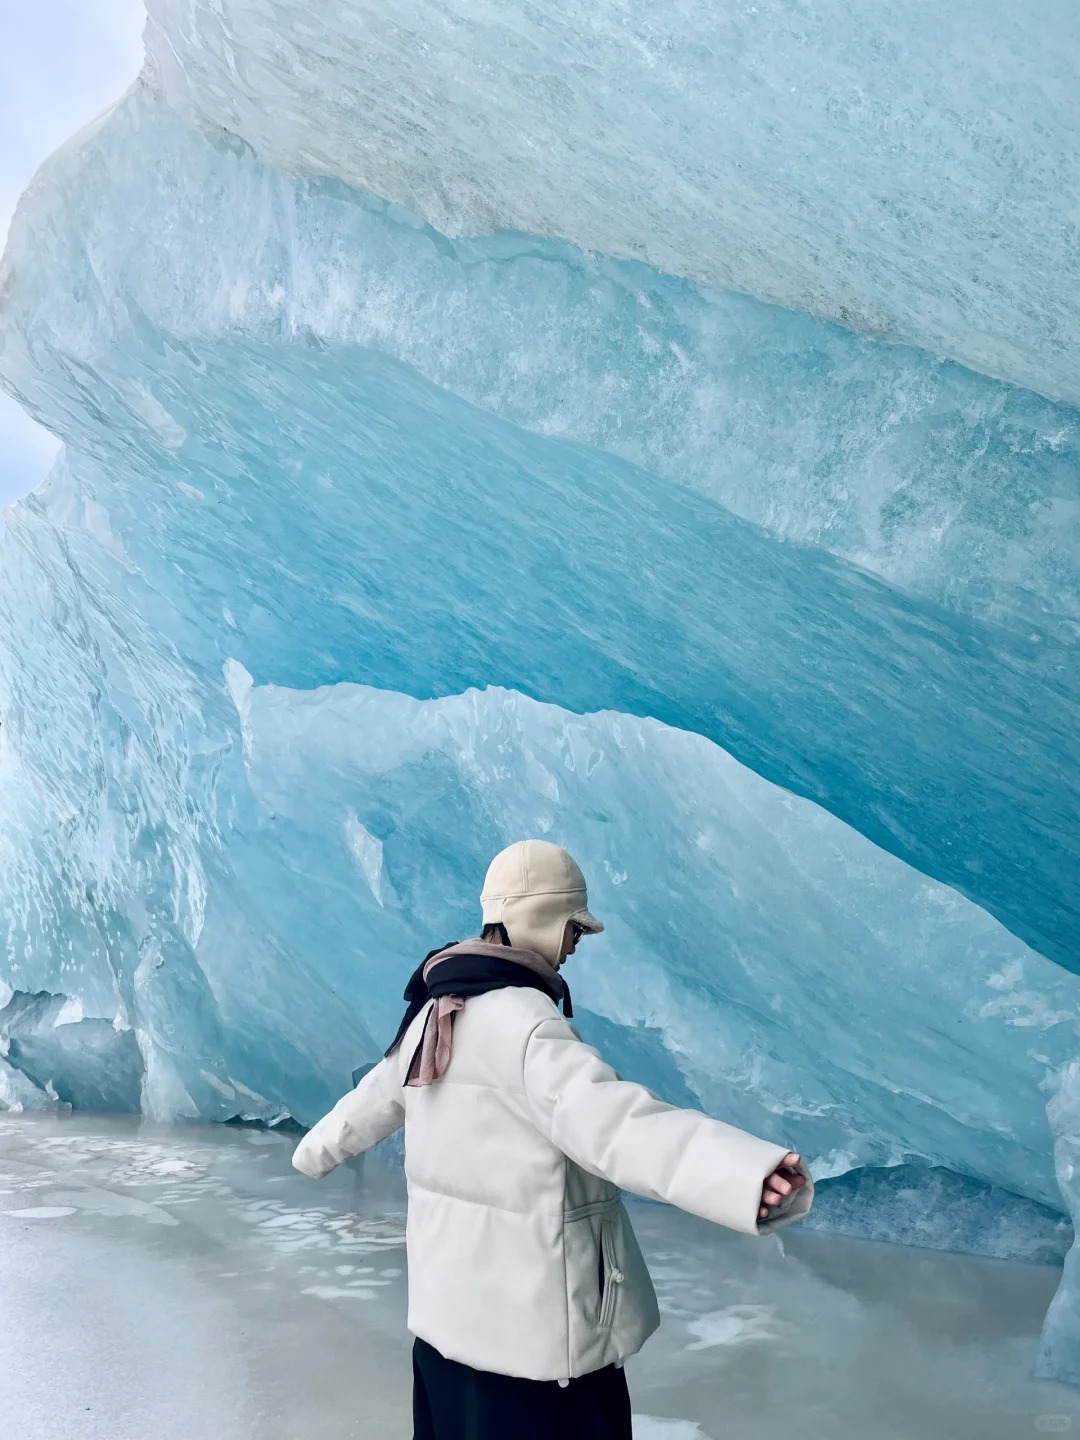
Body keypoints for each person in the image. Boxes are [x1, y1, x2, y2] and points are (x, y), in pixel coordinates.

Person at [293, 838, 814, 1439]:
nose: (576, 945)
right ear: (540, 917)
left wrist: (312, 1152)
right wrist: (745, 1175)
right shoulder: (526, 1024)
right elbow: (616, 1123)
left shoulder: (435, 1011)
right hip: (535, 1343)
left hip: (448, 1330)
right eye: (573, 926)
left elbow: (370, 1103)